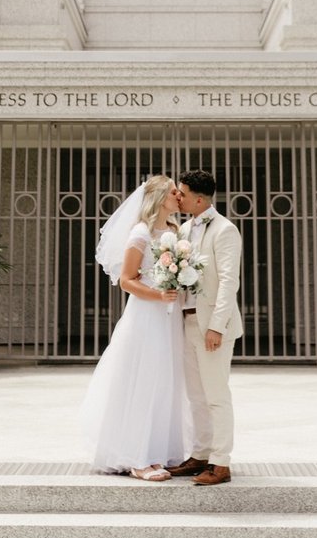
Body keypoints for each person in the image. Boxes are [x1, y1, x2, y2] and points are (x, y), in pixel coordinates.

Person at [79, 174, 189, 481]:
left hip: (169, 316)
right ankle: (137, 458)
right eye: (173, 193)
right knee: (144, 379)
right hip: (145, 315)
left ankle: (156, 452)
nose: (178, 198)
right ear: (157, 197)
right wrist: (158, 294)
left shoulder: (173, 230)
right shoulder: (140, 232)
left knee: (165, 381)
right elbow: (127, 280)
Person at [170, 170, 243, 486]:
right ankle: (199, 455)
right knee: (195, 396)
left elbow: (229, 281)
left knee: (216, 395)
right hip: (186, 321)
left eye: (182, 193)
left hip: (212, 327)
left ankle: (221, 463)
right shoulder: (184, 228)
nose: (178, 197)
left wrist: (216, 327)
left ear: (198, 199)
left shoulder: (225, 230)